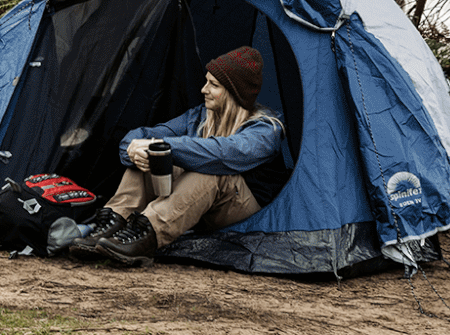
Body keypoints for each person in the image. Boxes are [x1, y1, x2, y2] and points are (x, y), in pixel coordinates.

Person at [68, 45, 287, 266]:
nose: (203, 90)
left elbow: (225, 153)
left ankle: (146, 234)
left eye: (214, 85)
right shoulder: (199, 116)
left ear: (233, 92)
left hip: (244, 214)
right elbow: (144, 135)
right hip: (200, 208)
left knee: (210, 169)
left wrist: (161, 147)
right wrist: (133, 148)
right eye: (206, 81)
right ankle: (113, 223)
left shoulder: (266, 129)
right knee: (148, 156)